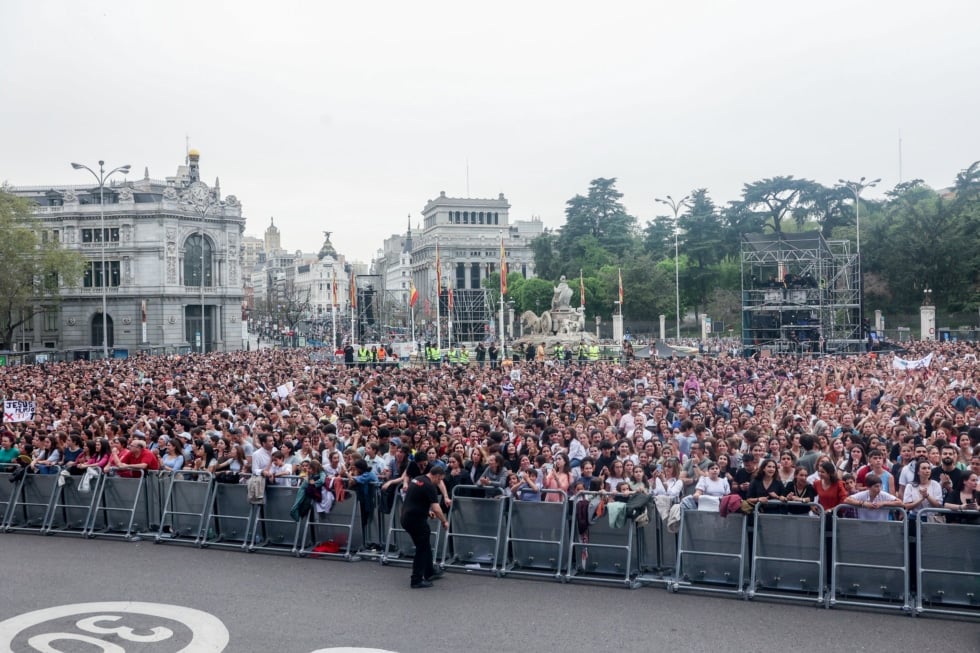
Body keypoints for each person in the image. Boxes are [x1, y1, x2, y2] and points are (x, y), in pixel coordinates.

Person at [401, 464, 449, 589]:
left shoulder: (418, 479)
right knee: (422, 548)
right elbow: (437, 509)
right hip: (415, 520)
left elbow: (415, 500)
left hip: (407, 516)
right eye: (440, 479)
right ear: (436, 476)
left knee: (425, 545)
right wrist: (444, 521)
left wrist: (427, 512)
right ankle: (416, 579)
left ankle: (429, 571)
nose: (439, 482)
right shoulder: (429, 486)